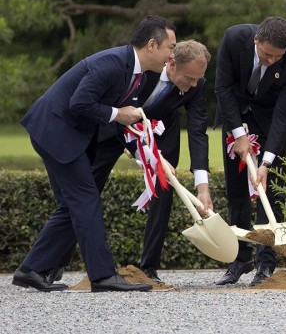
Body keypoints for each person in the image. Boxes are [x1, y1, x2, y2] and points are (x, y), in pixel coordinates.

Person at [12, 15, 177, 292]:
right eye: (170, 47)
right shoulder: (111, 63)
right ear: (152, 44)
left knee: (72, 204)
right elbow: (80, 102)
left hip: (62, 133)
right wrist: (116, 113)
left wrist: (152, 160)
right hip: (55, 132)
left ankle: (31, 269)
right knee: (85, 199)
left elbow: (129, 123)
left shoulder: (136, 74)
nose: (172, 54)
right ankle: (102, 276)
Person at [47, 40, 214, 286]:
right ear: (172, 63)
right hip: (113, 128)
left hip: (160, 130)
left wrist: (203, 186)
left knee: (164, 191)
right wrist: (135, 149)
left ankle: (149, 267)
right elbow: (115, 106)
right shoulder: (144, 69)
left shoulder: (196, 84)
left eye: (198, 80)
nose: (192, 85)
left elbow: (198, 131)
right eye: (189, 78)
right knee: (85, 193)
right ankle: (55, 262)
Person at [214, 16, 286, 286]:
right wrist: (238, 135)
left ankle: (266, 263)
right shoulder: (232, 39)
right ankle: (239, 258)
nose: (272, 61)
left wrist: (266, 163)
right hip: (235, 116)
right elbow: (223, 88)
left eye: (278, 56)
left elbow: (283, 114)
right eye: (267, 54)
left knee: (271, 191)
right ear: (256, 40)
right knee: (236, 191)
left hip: (272, 124)